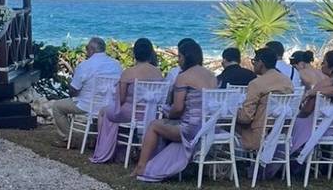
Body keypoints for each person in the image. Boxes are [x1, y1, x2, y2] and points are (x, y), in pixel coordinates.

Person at [132, 39, 217, 180]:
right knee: (164, 123)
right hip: (207, 127)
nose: (178, 60)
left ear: (186, 57)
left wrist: (168, 113)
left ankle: (142, 166)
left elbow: (178, 108)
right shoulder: (211, 76)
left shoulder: (183, 77)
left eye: (179, 57)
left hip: (190, 129)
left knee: (154, 125)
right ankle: (166, 163)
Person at [90, 38, 165, 163]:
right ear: (150, 53)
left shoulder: (129, 72)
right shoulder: (158, 73)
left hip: (131, 114)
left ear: (135, 53)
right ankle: (122, 148)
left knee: (104, 112)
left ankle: (104, 148)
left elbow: (122, 98)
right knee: (112, 111)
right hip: (151, 114)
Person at [49, 37, 123, 143]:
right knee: (91, 102)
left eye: (87, 48)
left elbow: (73, 91)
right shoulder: (116, 65)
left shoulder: (85, 65)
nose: (86, 51)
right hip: (110, 105)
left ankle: (66, 138)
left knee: (57, 106)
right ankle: (94, 139)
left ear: (91, 49)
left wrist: (72, 83)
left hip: (88, 105)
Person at [292, 49, 333, 153]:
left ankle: (286, 160)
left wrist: (296, 114)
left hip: (317, 128)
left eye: (324, 62)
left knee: (289, 124)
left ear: (332, 68)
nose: (321, 65)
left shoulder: (323, 85)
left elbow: (307, 110)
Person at [235, 47, 294, 152]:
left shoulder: (256, 83)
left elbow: (245, 118)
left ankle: (231, 164)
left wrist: (234, 111)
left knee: (224, 124)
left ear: (261, 63)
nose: (253, 65)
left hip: (257, 134)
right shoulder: (287, 82)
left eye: (254, 61)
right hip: (281, 129)